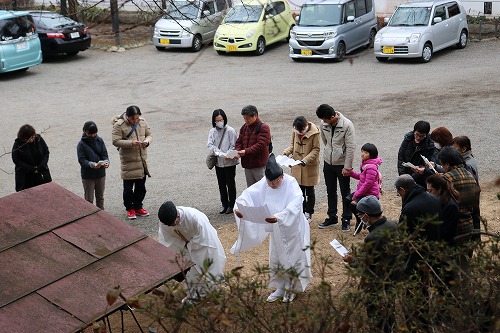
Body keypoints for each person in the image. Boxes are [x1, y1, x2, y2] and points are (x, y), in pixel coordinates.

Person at [231, 154, 312, 303]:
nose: (272, 185)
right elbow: (249, 194)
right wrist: (239, 207)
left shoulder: (291, 182)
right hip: (276, 228)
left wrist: (279, 217)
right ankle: (281, 286)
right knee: (277, 256)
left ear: (281, 176)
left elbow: (296, 203)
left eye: (275, 182)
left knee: (292, 256)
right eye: (270, 182)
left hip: (293, 228)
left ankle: (292, 288)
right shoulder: (265, 183)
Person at [343, 196, 397, 333]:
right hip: (393, 278)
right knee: (389, 313)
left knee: (377, 319)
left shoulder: (373, 237)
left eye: (360, 215)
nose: (360, 217)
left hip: (377, 284)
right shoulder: (393, 225)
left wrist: (352, 261)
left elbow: (366, 267)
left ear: (366, 215)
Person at [158, 201, 226, 302]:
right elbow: (166, 238)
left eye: (172, 223)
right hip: (184, 245)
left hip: (202, 245)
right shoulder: (165, 222)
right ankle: (194, 291)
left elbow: (205, 238)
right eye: (169, 225)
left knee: (208, 264)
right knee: (190, 268)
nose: (171, 226)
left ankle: (210, 286)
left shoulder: (194, 218)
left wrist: (190, 244)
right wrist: (183, 244)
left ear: (177, 216)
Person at [315, 104, 356, 231]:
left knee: (345, 192)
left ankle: (346, 218)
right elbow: (325, 141)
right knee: (330, 191)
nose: (323, 122)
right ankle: (332, 217)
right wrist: (329, 153)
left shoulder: (347, 125)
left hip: (342, 165)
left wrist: (347, 167)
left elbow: (351, 147)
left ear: (333, 116)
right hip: (328, 162)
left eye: (326, 120)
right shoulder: (323, 124)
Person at [112, 105, 152, 220]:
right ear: (127, 116)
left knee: (141, 187)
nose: (135, 121)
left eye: (137, 118)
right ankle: (130, 208)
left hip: (141, 159)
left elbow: (149, 134)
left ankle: (138, 206)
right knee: (128, 189)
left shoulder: (142, 122)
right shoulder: (119, 125)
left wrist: (147, 141)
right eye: (133, 118)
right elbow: (115, 141)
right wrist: (131, 143)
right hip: (128, 160)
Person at [437, 146, 480, 246]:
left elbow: (441, 202)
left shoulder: (447, 178)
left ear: (447, 164)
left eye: (442, 164)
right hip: (469, 224)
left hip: (454, 226)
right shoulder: (470, 176)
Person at [282, 116, 320, 222]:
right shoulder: (296, 130)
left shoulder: (315, 132)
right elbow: (292, 145)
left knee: (310, 191)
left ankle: (309, 212)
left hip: (309, 165)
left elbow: (316, 149)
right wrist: (286, 153)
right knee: (299, 191)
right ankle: (301, 211)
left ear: (306, 125)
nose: (299, 132)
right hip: (297, 164)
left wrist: (306, 160)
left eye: (300, 130)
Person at [207, 109, 239, 214]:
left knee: (230, 183)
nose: (220, 122)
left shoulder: (230, 130)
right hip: (219, 162)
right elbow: (210, 145)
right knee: (221, 184)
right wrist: (219, 153)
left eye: (221, 120)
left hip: (229, 162)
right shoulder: (212, 131)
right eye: (217, 120)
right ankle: (224, 204)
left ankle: (232, 204)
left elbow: (234, 145)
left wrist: (228, 154)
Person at [347, 143, 382, 234]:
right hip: (364, 191)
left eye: (365, 152)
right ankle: (361, 219)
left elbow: (368, 184)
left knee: (353, 204)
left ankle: (361, 220)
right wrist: (351, 173)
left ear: (371, 155)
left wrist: (357, 194)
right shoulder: (366, 164)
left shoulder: (371, 167)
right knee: (347, 200)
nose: (362, 154)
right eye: (362, 151)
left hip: (370, 194)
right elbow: (361, 177)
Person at [234, 105, 271, 187]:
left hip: (259, 165)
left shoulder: (263, 127)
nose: (245, 120)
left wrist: (245, 151)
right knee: (251, 189)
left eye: (247, 118)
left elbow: (261, 145)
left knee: (263, 188)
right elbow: (239, 141)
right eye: (244, 118)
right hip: (247, 164)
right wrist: (237, 151)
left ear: (255, 116)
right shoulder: (244, 127)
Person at [77, 121, 109, 210]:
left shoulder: (100, 140)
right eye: (90, 134)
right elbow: (82, 160)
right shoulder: (81, 144)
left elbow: (104, 154)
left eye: (94, 134)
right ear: (84, 131)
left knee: (100, 198)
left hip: (100, 173)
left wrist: (106, 162)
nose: (93, 136)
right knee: (89, 200)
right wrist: (93, 165)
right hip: (88, 176)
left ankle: (102, 215)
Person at [397, 120, 438, 187]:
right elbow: (401, 158)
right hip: (407, 174)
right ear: (414, 131)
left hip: (421, 177)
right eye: (417, 134)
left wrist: (420, 169)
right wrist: (403, 175)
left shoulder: (430, 145)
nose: (418, 137)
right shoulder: (407, 140)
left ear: (426, 135)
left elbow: (431, 164)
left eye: (422, 136)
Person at [12, 124, 51, 192]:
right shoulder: (18, 144)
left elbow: (46, 152)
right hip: (25, 177)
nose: (32, 139)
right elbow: (16, 159)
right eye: (29, 138)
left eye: (32, 137)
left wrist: (42, 165)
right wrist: (31, 169)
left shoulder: (38, 139)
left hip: (41, 173)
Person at [425, 174, 460, 246]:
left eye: (430, 191)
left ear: (439, 189)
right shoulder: (439, 201)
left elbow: (447, 232)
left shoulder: (450, 206)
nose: (428, 194)